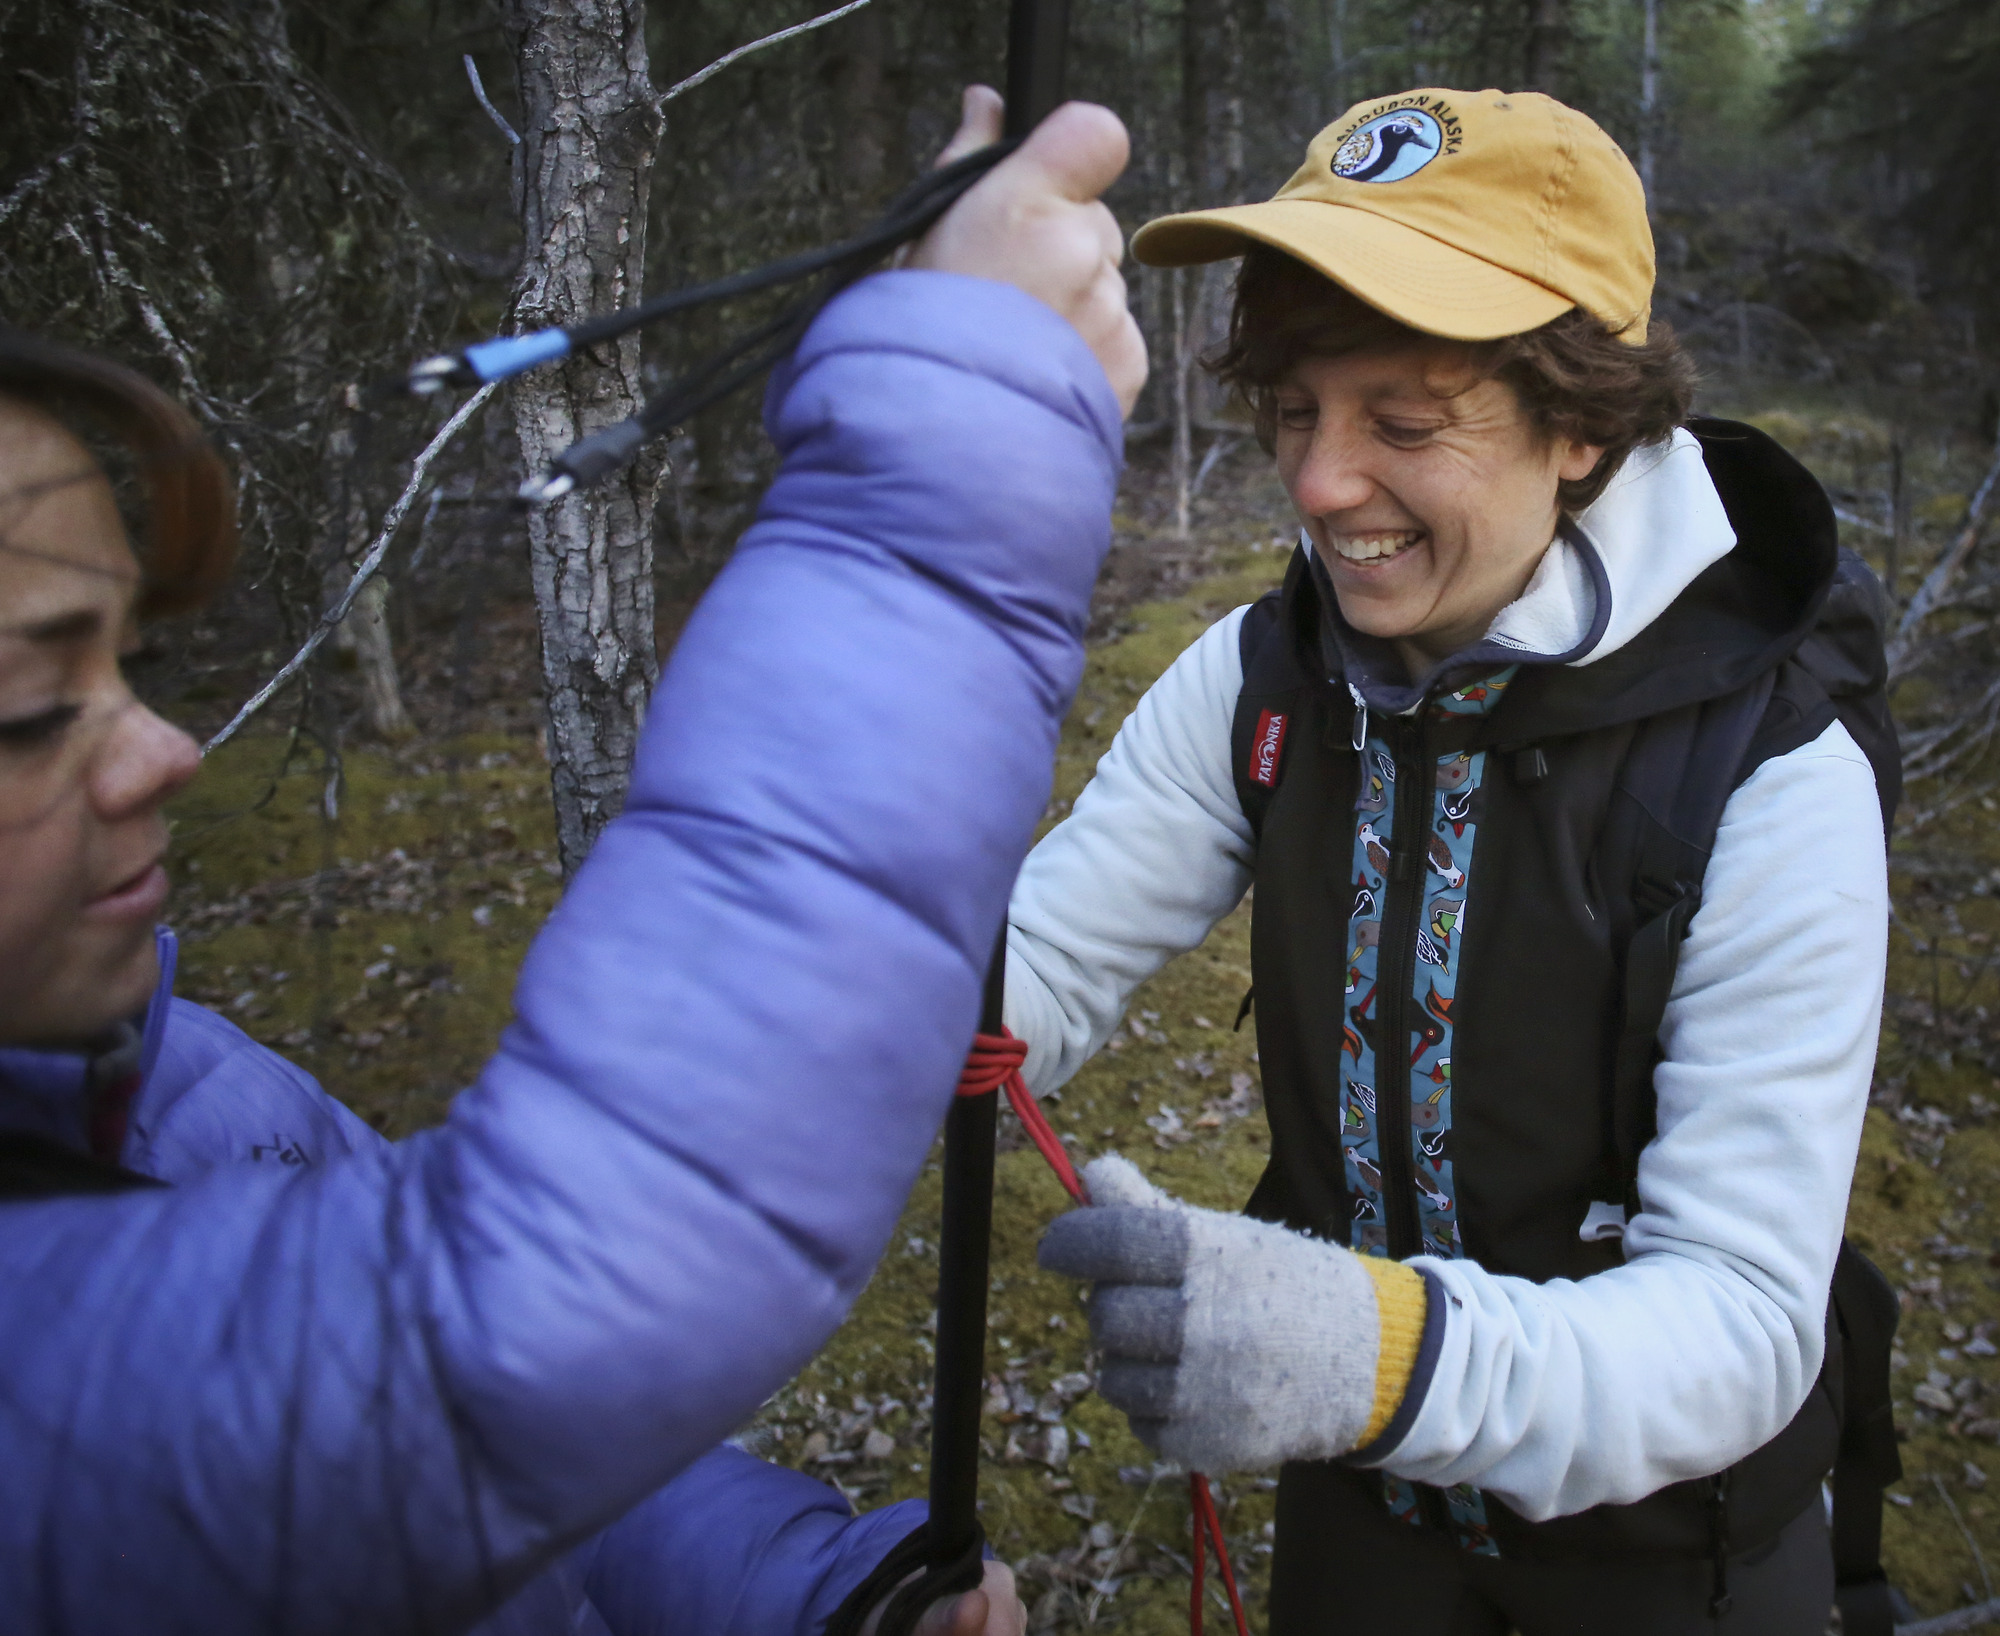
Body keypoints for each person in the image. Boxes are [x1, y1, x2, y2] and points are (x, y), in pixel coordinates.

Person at [0, 88, 1142, 1635]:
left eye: (131, 670)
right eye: (31, 708)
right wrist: (951, 467)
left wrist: (814, 1591)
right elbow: (513, 1337)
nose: (163, 756)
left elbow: (496, 1497)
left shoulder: (180, 1099)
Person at [1018, 88, 1893, 1633]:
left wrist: (1371, 1355)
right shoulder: (1264, 675)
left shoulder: (1770, 767)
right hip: (1358, 1533)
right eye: (1296, 410)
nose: (1316, 484)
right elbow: (1031, 969)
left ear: (1582, 427)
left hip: (1671, 1566)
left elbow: (1751, 1319)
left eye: (1402, 423)